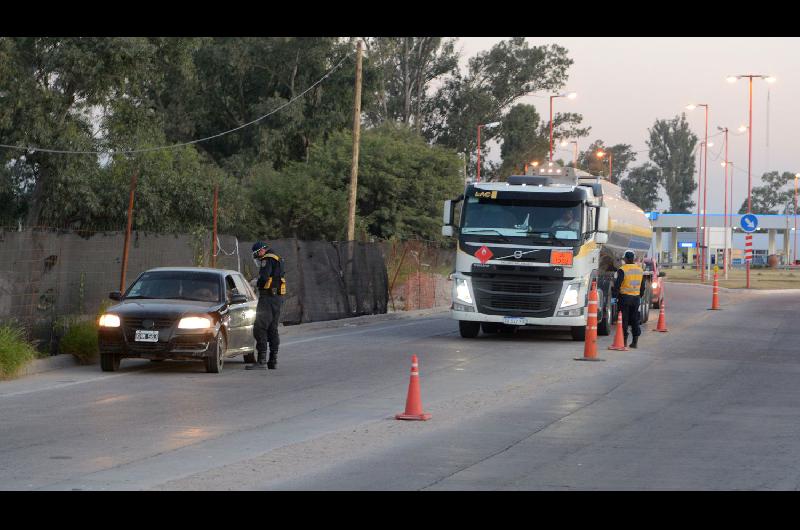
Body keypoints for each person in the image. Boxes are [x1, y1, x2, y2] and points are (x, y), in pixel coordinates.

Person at [246, 240, 286, 370]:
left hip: (267, 298)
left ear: (261, 251)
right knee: (273, 328)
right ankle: (273, 360)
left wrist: (255, 282)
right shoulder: (279, 259)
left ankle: (261, 360)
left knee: (259, 327)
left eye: (258, 254)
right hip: (277, 298)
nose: (258, 257)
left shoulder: (267, 260)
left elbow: (264, 278)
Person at [613, 250, 645, 349]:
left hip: (625, 298)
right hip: (636, 298)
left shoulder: (623, 269)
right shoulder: (640, 270)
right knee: (635, 319)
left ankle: (624, 341)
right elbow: (642, 286)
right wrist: (640, 296)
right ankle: (635, 342)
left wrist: (615, 297)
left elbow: (617, 285)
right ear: (634, 259)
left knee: (624, 320)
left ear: (626, 259)